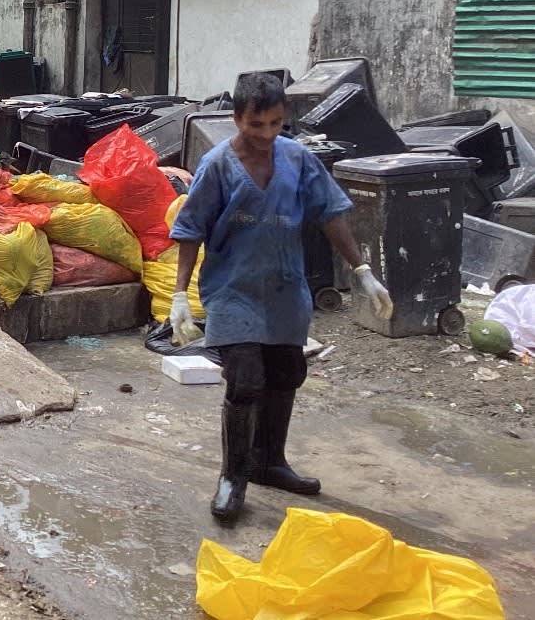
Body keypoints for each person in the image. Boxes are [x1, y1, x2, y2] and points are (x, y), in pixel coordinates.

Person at [168, 71, 392, 526]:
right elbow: (190, 230)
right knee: (246, 379)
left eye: (275, 124)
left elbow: (331, 214)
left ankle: (270, 461)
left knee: (285, 374)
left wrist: (362, 271)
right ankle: (234, 476)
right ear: (237, 120)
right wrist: (178, 294)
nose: (267, 135)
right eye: (256, 126)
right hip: (233, 288)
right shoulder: (217, 166)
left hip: (286, 286)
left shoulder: (298, 159)